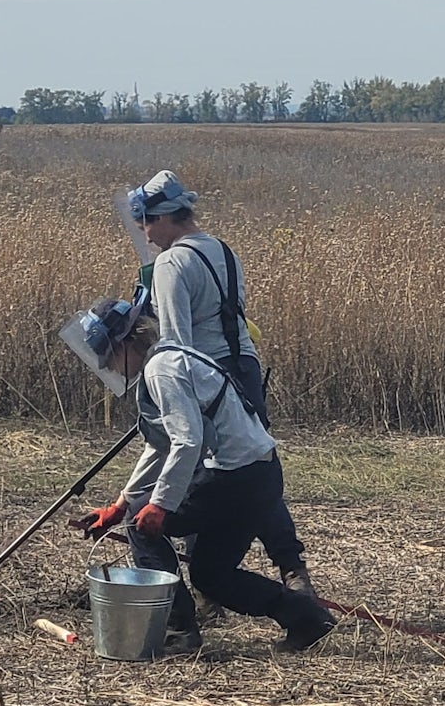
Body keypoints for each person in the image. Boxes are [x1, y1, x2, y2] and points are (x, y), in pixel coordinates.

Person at [63, 295, 336, 654]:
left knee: (140, 528)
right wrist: (121, 503)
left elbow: (187, 442)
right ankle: (306, 618)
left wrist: (156, 506)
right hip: (259, 475)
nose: (108, 365)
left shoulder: (162, 369)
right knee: (211, 575)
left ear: (129, 342)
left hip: (236, 478)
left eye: (109, 354)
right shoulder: (169, 359)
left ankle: (178, 632)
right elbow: (161, 445)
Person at [124, 169, 318, 602]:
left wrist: (166, 391)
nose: (148, 236)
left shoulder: (172, 262)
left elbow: (177, 342)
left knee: (211, 468)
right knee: (250, 466)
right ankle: (290, 566)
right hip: (244, 366)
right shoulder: (221, 249)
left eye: (147, 224)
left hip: (209, 376)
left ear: (164, 216)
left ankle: (204, 586)